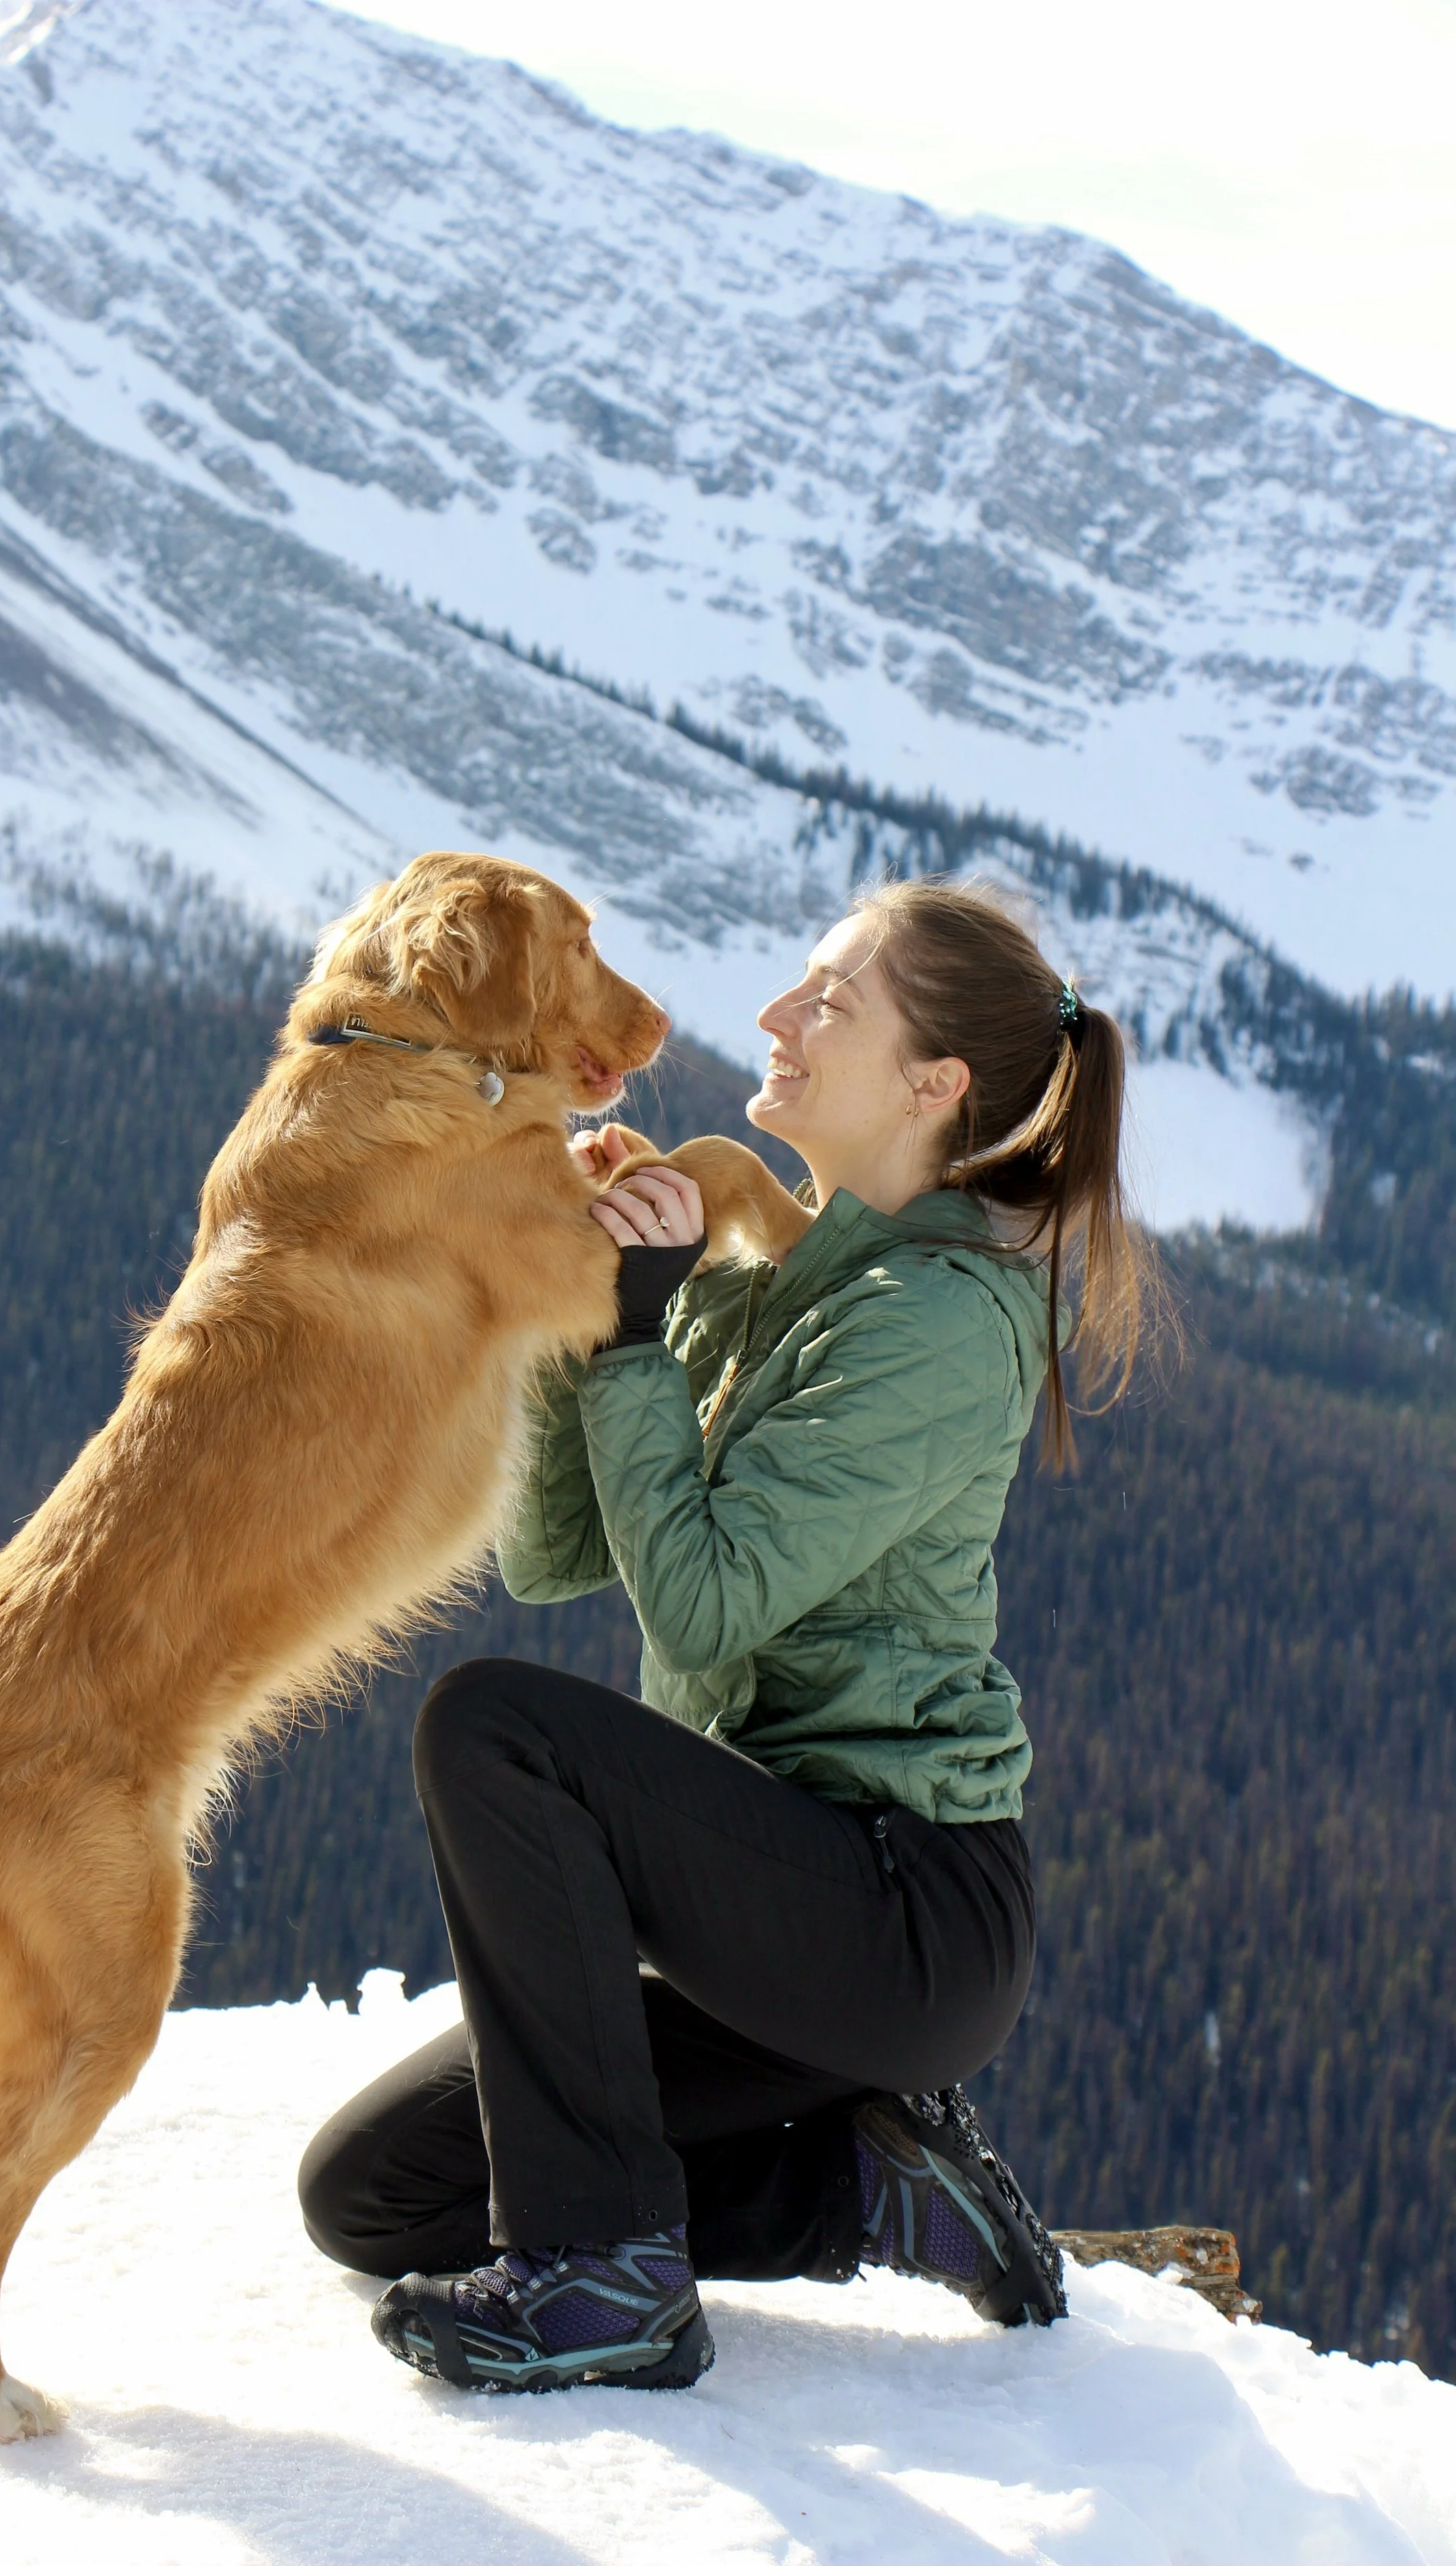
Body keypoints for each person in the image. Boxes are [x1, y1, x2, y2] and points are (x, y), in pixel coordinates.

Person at [298, 875, 1152, 2394]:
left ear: (931, 1083)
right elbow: (553, 1552)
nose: (772, 1015)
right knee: (373, 2195)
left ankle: (603, 2283)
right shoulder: (775, 1270)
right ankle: (862, 2188)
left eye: (828, 1000)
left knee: (492, 1729)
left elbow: (696, 1599)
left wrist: (639, 1325)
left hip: (893, 1913)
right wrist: (588, 1297)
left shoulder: (943, 1319)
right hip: (752, 1909)